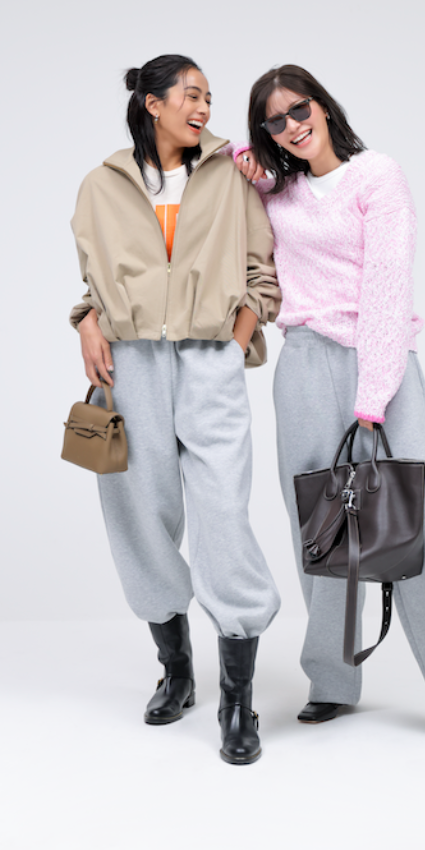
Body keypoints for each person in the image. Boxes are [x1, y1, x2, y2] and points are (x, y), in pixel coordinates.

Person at [230, 64, 425, 747]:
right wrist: (244, 161)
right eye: (275, 121)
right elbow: (231, 172)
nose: (291, 126)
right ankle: (331, 680)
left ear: (323, 107)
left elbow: (389, 284)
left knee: (422, 527)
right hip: (303, 366)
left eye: (299, 110)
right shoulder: (278, 191)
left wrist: (372, 398)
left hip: (379, 365)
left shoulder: (377, 175)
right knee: (322, 529)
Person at [70, 55, 282, 765]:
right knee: (142, 514)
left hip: (209, 360)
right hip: (130, 365)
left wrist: (235, 342)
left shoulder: (231, 177)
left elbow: (261, 272)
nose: (203, 108)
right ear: (152, 104)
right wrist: (85, 321)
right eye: (190, 95)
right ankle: (178, 671)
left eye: (209, 97)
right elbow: (94, 279)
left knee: (223, 517)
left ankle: (238, 701)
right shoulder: (101, 185)